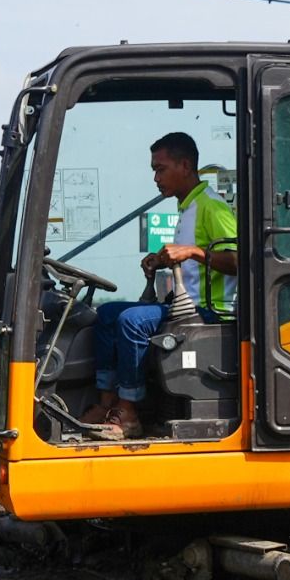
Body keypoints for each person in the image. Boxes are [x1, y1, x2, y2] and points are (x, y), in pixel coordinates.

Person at [80, 133, 239, 439]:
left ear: (185, 166)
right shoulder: (187, 207)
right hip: (186, 305)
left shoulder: (212, 206)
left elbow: (237, 260)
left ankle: (129, 412)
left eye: (160, 169)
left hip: (209, 310)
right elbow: (192, 262)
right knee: (108, 314)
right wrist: (163, 260)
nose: (156, 178)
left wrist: (191, 251)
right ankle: (107, 402)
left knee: (133, 321)